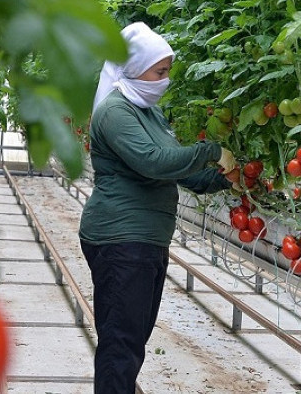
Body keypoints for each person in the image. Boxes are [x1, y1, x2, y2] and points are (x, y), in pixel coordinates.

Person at [79, 22, 238, 393]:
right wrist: (211, 151)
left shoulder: (149, 113)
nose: (164, 80)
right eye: (160, 71)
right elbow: (155, 162)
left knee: (131, 339)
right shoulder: (115, 111)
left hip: (145, 241)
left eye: (167, 72)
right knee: (122, 343)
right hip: (121, 239)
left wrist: (224, 179)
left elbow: (181, 173)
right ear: (136, 66)